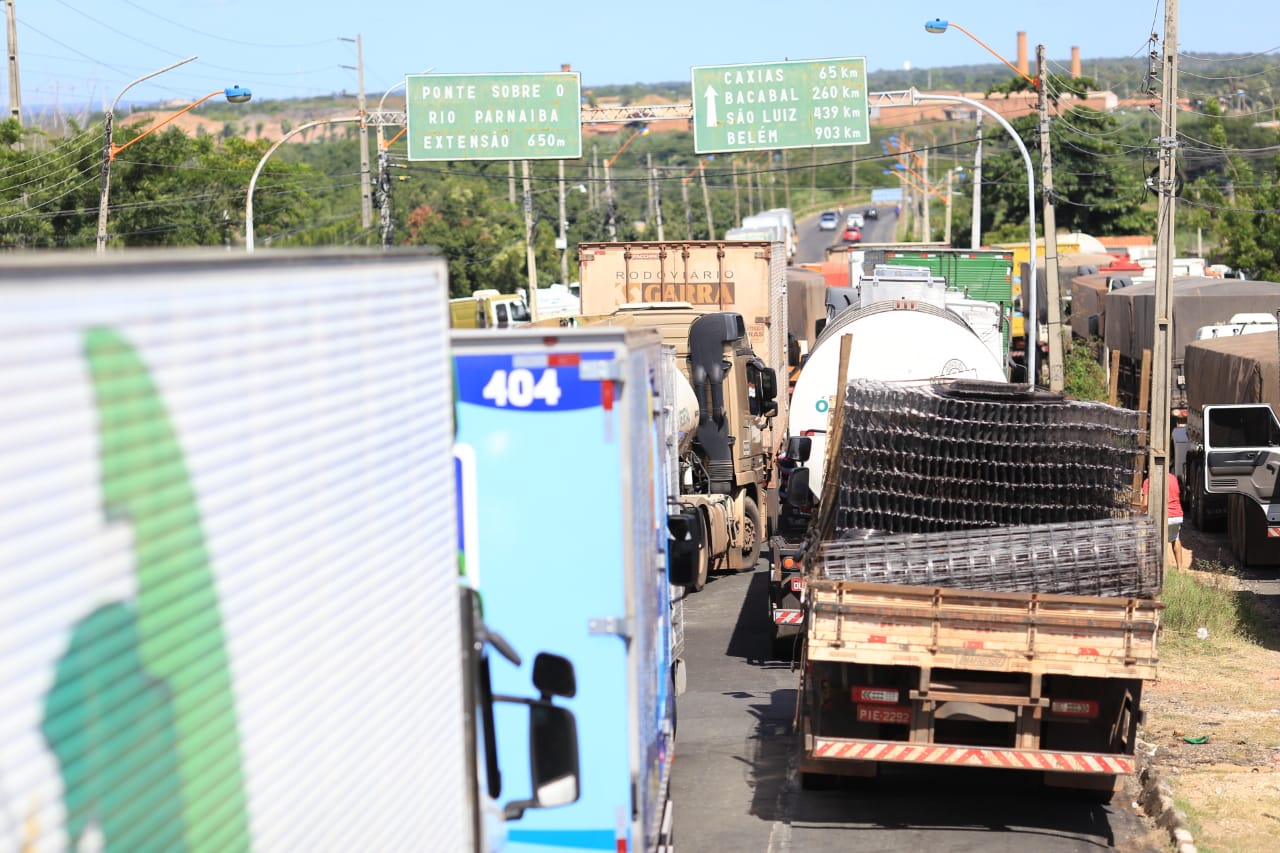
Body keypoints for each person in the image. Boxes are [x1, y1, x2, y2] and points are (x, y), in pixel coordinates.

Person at [1142, 471, 1188, 570]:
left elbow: (1145, 504)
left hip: (1162, 516)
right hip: (1177, 515)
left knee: (1153, 541)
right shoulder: (1173, 478)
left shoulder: (1148, 481)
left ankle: (1154, 568)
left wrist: (1141, 511)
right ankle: (1180, 568)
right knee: (1175, 538)